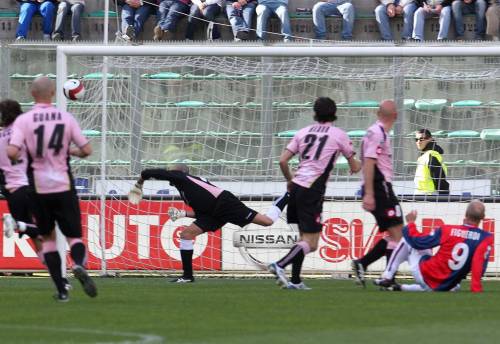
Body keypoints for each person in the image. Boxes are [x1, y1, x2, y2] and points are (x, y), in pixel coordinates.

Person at [7, 76, 96, 302]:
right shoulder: (65, 118)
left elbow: (12, 152)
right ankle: (77, 264)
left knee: (47, 239)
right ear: (54, 93)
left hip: (38, 187)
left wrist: (27, 152)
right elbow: (86, 149)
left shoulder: (24, 121)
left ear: (32, 93)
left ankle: (62, 291)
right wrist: (70, 151)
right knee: (74, 236)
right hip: (64, 185)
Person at [128, 163, 290, 283]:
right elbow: (203, 210)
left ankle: (288, 194)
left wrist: (139, 182)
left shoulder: (182, 178)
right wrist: (183, 214)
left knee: (266, 221)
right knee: (186, 234)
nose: (169, 172)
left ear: (178, 173)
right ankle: (187, 276)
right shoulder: (185, 188)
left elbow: (149, 172)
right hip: (214, 212)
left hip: (226, 205)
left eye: (171, 170)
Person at [267, 97, 361, 290]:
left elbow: (283, 161)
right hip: (312, 190)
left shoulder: (302, 132)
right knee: (312, 242)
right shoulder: (339, 134)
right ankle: (280, 265)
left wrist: (289, 180)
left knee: (302, 239)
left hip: (296, 187)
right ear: (334, 113)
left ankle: (295, 281)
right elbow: (355, 166)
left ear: (315, 113)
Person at [376, 200, 493, 292]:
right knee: (454, 286)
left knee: (407, 238)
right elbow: (479, 268)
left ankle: (387, 276)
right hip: (447, 284)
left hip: (425, 274)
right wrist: (476, 288)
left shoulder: (447, 229)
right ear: (483, 217)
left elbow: (418, 242)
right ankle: (401, 287)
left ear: (466, 214)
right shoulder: (485, 238)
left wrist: (411, 223)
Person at [351, 100, 404, 287]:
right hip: (379, 187)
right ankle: (388, 280)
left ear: (377, 112)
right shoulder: (377, 133)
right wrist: (370, 193)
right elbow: (370, 162)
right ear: (396, 116)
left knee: (394, 233)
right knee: (398, 233)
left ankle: (362, 263)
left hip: (381, 187)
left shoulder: (377, 132)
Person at [0, 99, 43, 257]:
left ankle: (54, 272)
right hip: (29, 186)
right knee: (48, 229)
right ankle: (16, 223)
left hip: (11, 191)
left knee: (33, 232)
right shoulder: (24, 132)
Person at [414, 129, 449, 195]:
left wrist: (445, 199)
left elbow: (440, 181)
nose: (418, 142)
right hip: (422, 198)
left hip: (431, 198)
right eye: (416, 139)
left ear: (430, 139)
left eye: (421, 139)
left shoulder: (431, 156)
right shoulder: (424, 156)